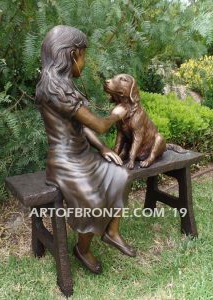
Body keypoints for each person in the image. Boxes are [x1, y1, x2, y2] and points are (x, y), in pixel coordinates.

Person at [36, 25, 136, 274]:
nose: (85, 61)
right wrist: (115, 115)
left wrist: (102, 148)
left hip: (83, 155)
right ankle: (82, 249)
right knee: (91, 201)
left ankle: (112, 232)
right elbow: (99, 125)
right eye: (83, 55)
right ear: (71, 54)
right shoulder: (54, 89)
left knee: (121, 174)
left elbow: (83, 126)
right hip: (64, 161)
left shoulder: (64, 84)